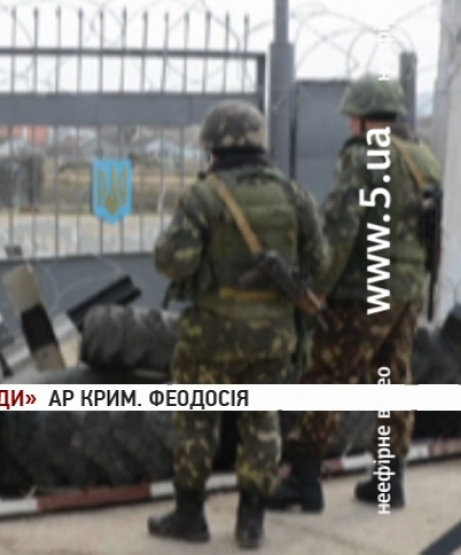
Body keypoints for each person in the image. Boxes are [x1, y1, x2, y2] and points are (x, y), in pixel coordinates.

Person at [148, 101, 328, 549]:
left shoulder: (204, 195)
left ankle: (190, 517)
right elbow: (320, 261)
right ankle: (251, 524)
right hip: (273, 335)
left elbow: (173, 262)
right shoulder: (294, 194)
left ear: (213, 145)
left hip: (212, 334)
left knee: (197, 421)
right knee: (261, 423)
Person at [268, 75, 442, 512]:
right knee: (394, 378)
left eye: (353, 118)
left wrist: (317, 289)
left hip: (364, 290)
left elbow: (340, 228)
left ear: (364, 119)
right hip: (408, 290)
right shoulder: (422, 157)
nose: (350, 126)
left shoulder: (364, 157)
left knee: (328, 378)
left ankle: (304, 479)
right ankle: (389, 480)